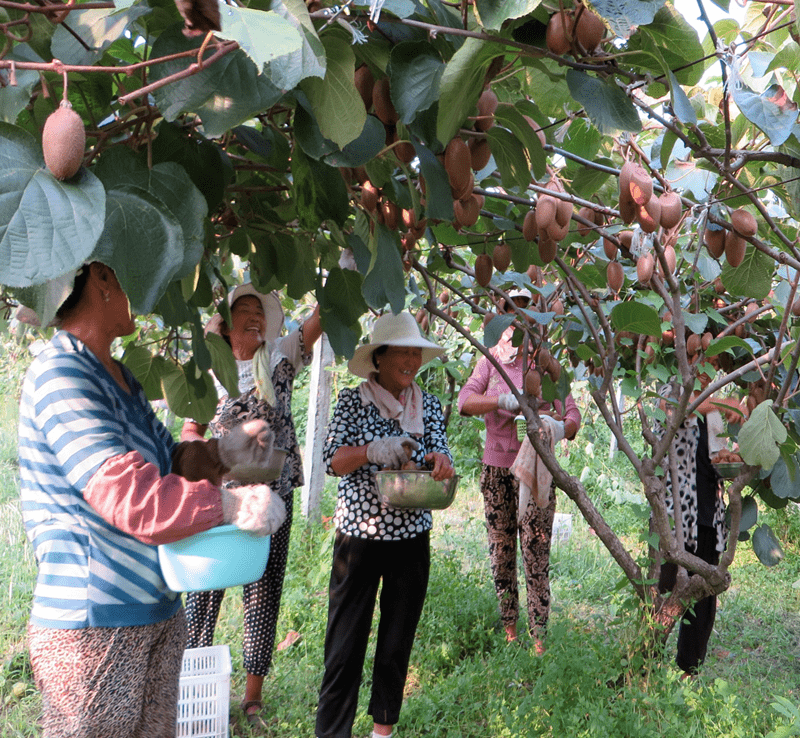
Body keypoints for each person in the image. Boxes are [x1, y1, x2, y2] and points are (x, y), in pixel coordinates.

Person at [17, 262, 286, 738]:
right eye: (131, 272)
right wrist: (231, 507)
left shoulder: (119, 376)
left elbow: (166, 461)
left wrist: (224, 453)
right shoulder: (62, 373)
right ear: (101, 278)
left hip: (154, 612)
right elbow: (129, 495)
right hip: (95, 627)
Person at [182, 283, 322, 726]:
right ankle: (197, 685)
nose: (255, 315)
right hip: (221, 501)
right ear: (224, 328)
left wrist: (347, 267)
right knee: (204, 587)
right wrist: (212, 454)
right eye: (244, 310)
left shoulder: (279, 358)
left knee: (264, 589)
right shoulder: (209, 375)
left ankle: (252, 697)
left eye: (260, 311)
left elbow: (319, 321)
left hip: (270, 499)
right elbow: (189, 432)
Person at [315, 311, 455, 738]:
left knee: (396, 641)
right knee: (345, 643)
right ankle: (333, 732)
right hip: (361, 536)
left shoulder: (427, 404)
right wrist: (373, 449)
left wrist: (438, 463)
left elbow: (442, 456)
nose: (412, 360)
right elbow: (332, 460)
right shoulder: (354, 402)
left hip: (411, 536)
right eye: (403, 351)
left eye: (417, 352)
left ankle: (382, 730)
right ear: (380, 356)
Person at [457, 288, 580, 650]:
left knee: (536, 549)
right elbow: (465, 402)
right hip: (497, 469)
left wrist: (557, 427)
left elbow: (573, 415)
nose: (516, 322)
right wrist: (502, 399)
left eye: (525, 313)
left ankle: (539, 636)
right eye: (510, 314)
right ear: (499, 321)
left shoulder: (545, 363)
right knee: (501, 548)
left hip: (536, 468)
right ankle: (510, 629)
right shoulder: (490, 361)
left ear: (536, 320)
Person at [657, 364, 745, 678]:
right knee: (664, 588)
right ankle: (646, 655)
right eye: (700, 363)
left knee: (703, 597)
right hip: (677, 516)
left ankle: (689, 670)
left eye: (710, 367)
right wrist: (724, 403)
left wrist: (738, 460)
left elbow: (721, 462)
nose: (706, 373)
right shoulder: (670, 391)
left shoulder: (716, 414)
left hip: (708, 516)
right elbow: (677, 408)